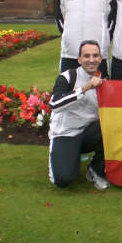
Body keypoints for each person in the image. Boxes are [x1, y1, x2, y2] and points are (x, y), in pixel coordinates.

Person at [48, 40, 110, 190]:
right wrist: (85, 88)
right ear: (79, 59)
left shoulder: (105, 80)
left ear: (100, 58)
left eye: (95, 56)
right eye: (86, 56)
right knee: (63, 180)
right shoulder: (67, 77)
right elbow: (55, 105)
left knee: (113, 127)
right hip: (66, 133)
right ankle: (65, 156)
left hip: (89, 132)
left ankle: (96, 169)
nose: (91, 60)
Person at [55, 0, 116, 78]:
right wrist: (69, 38)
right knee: (69, 94)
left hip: (98, 57)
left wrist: (103, 44)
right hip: (70, 55)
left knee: (99, 95)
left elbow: (112, 23)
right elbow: (60, 21)